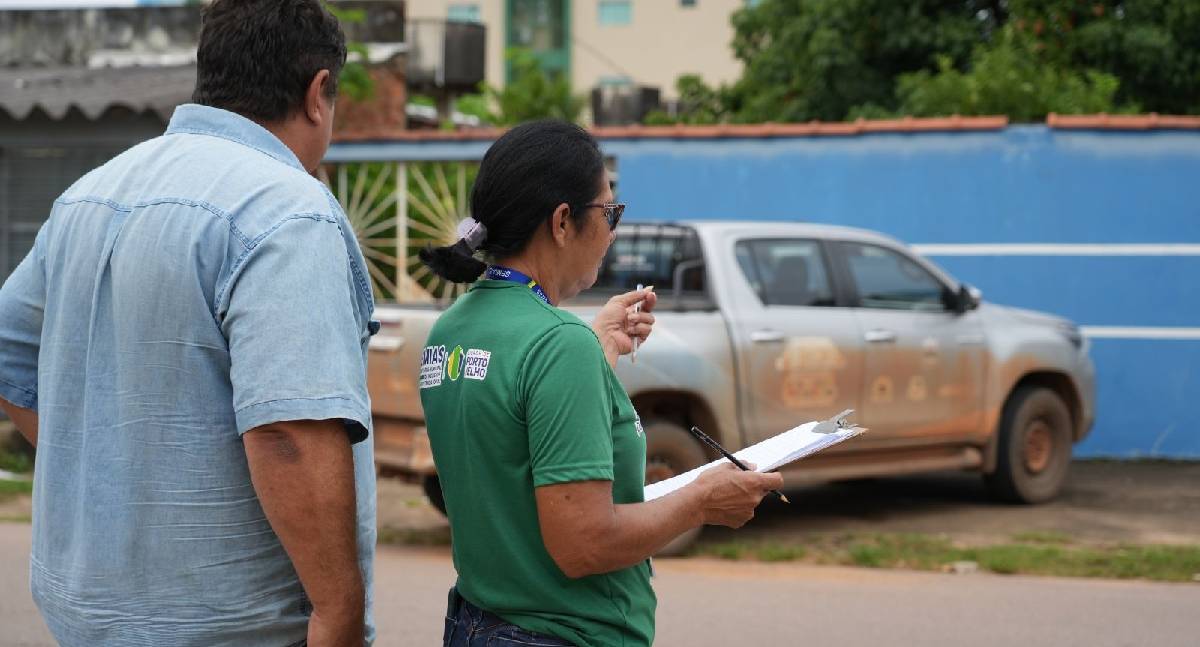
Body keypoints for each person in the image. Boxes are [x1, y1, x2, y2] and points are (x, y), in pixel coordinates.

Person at [0, 1, 377, 644]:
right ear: (318, 93)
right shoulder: (287, 210)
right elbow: (287, 433)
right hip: (235, 626)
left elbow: (11, 353)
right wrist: (339, 617)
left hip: (84, 616)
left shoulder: (89, 194)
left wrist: (107, 471)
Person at [418, 120, 784, 647]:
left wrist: (597, 350)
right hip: (563, 632)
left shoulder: (453, 328)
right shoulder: (559, 344)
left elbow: (511, 444)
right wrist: (702, 500)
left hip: (477, 622)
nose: (613, 232)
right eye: (609, 212)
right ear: (562, 221)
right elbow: (584, 544)